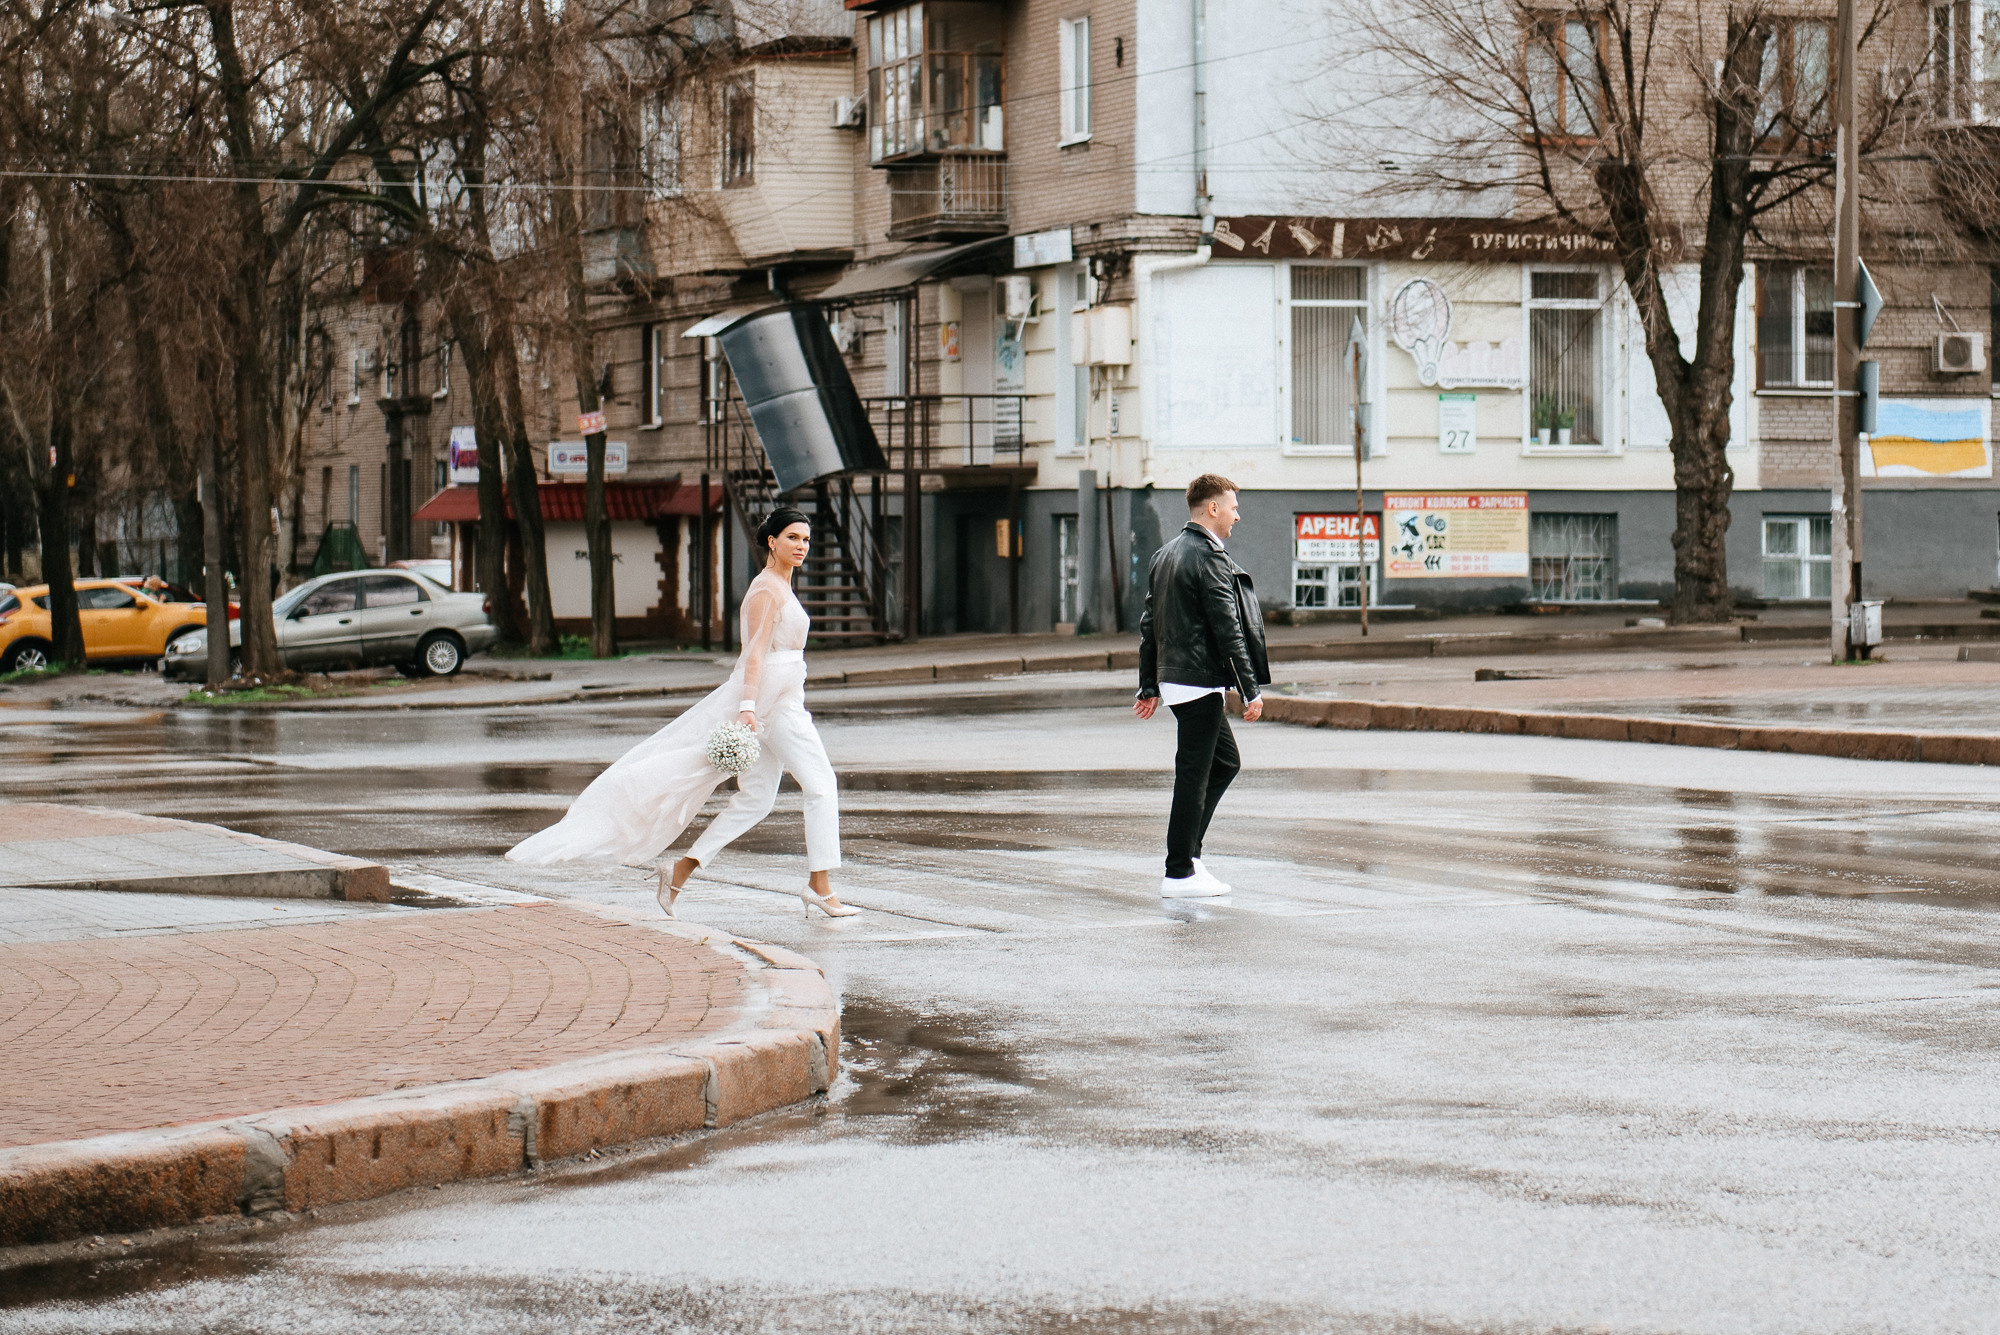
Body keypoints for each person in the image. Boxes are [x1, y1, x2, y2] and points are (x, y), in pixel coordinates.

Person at [506, 508, 859, 919]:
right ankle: (820, 885)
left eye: (806, 540)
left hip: (782, 697)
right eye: (793, 538)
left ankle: (680, 871)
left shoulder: (781, 585)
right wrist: (747, 708)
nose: (801, 546)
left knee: (758, 799)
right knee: (821, 784)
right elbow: (754, 655)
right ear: (772, 541)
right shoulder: (767, 589)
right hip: (771, 705)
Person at [1133, 474, 1271, 898]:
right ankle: (1179, 872)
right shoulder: (1209, 556)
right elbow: (1227, 628)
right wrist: (1250, 689)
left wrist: (1148, 685)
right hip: (1197, 682)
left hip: (1178, 680)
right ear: (1212, 508)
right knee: (1193, 775)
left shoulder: (1165, 554)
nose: (1237, 515)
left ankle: (1190, 858)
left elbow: (1149, 625)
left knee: (1225, 763)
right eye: (1232, 507)